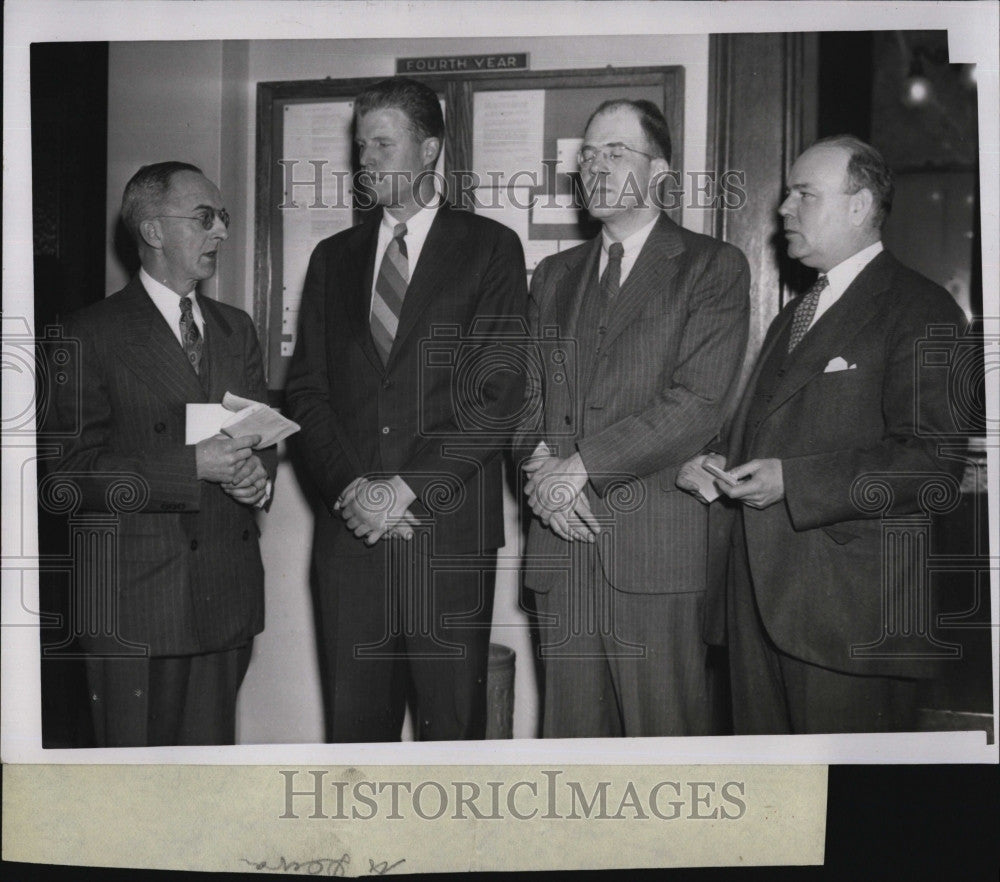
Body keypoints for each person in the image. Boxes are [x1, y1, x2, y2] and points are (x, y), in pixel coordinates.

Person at [677, 136, 969, 734]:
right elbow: (779, 431)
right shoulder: (796, 312)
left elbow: (934, 464)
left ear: (860, 205)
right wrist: (718, 469)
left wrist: (794, 480)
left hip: (850, 621)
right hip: (761, 606)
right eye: (788, 193)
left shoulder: (921, 307)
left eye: (804, 194)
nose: (784, 208)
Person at [284, 77, 527, 742]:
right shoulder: (331, 260)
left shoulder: (490, 248)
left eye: (383, 145)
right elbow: (306, 390)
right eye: (361, 147)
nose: (367, 162)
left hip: (444, 536)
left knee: (452, 734)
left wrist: (407, 488)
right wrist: (355, 488)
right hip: (351, 540)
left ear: (429, 150)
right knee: (356, 740)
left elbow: (497, 394)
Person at [514, 99, 750, 737]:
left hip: (655, 555)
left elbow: (697, 402)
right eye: (587, 155)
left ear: (661, 173)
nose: (594, 167)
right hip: (560, 547)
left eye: (614, 153)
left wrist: (578, 468)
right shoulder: (554, 275)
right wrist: (542, 476)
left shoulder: (710, 266)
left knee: (661, 747)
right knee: (570, 748)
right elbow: (525, 397)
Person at [47, 161, 275, 746]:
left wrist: (255, 476)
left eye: (222, 217)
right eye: (205, 218)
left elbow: (256, 434)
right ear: (152, 231)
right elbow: (65, 477)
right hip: (136, 603)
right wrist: (191, 466)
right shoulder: (87, 334)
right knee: (138, 798)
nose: (222, 231)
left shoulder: (235, 329)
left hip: (225, 594)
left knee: (206, 791)